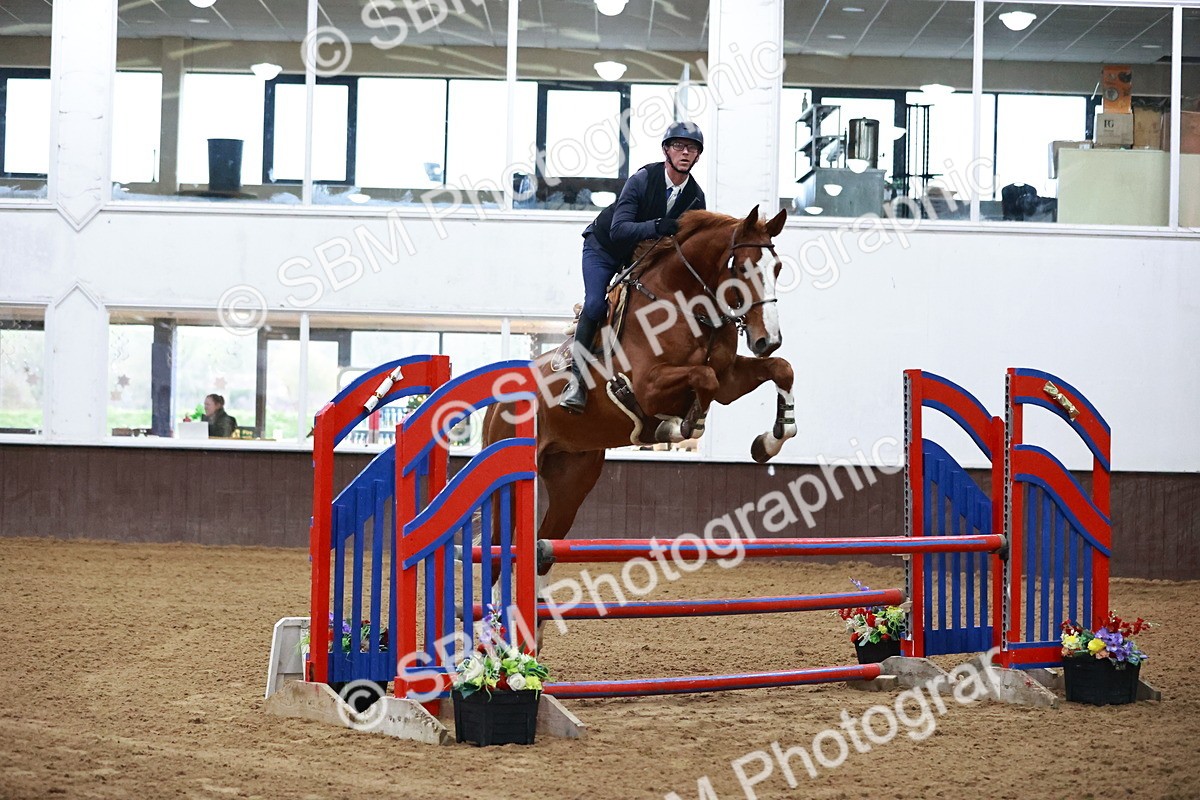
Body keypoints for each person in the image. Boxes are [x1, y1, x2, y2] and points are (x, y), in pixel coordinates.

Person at [560, 121, 708, 414]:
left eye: (691, 148)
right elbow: (619, 230)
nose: (685, 152)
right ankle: (575, 381)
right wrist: (656, 226)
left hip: (641, 258)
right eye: (678, 146)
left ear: (698, 157)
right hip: (604, 249)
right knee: (594, 305)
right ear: (666, 150)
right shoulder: (642, 179)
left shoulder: (695, 197)